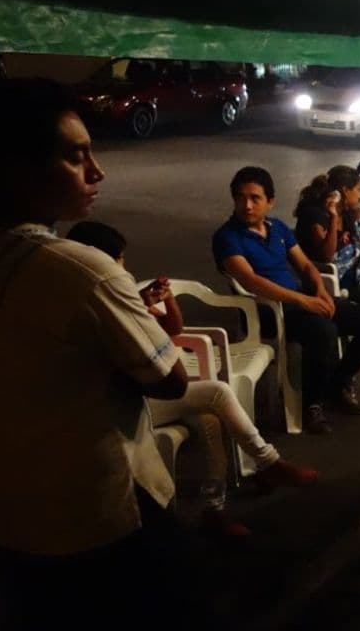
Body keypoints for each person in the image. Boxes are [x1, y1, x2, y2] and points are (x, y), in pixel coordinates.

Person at [0, 79, 208, 631]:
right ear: (20, 169)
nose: (97, 171)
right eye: (77, 157)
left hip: (4, 514)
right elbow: (170, 377)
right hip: (101, 515)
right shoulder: (83, 271)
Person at [66, 220, 319, 539]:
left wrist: (161, 299)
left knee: (211, 420)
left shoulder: (117, 293)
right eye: (118, 259)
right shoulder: (99, 300)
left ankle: (213, 508)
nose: (122, 266)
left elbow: (172, 328)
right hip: (131, 403)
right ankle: (268, 463)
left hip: (145, 394)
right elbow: (168, 378)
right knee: (217, 392)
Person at [213, 166, 360, 435]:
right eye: (240, 197)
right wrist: (304, 301)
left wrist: (319, 290)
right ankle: (312, 404)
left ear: (270, 201)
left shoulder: (279, 229)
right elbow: (251, 281)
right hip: (266, 313)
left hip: (300, 302)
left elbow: (306, 266)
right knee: (324, 330)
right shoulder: (227, 237)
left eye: (255, 198)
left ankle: (338, 383)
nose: (247, 205)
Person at [294, 164, 360, 367]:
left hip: (351, 272)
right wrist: (333, 217)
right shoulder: (314, 215)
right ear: (344, 191)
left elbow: (354, 243)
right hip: (329, 280)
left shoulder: (348, 212)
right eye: (358, 190)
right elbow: (327, 255)